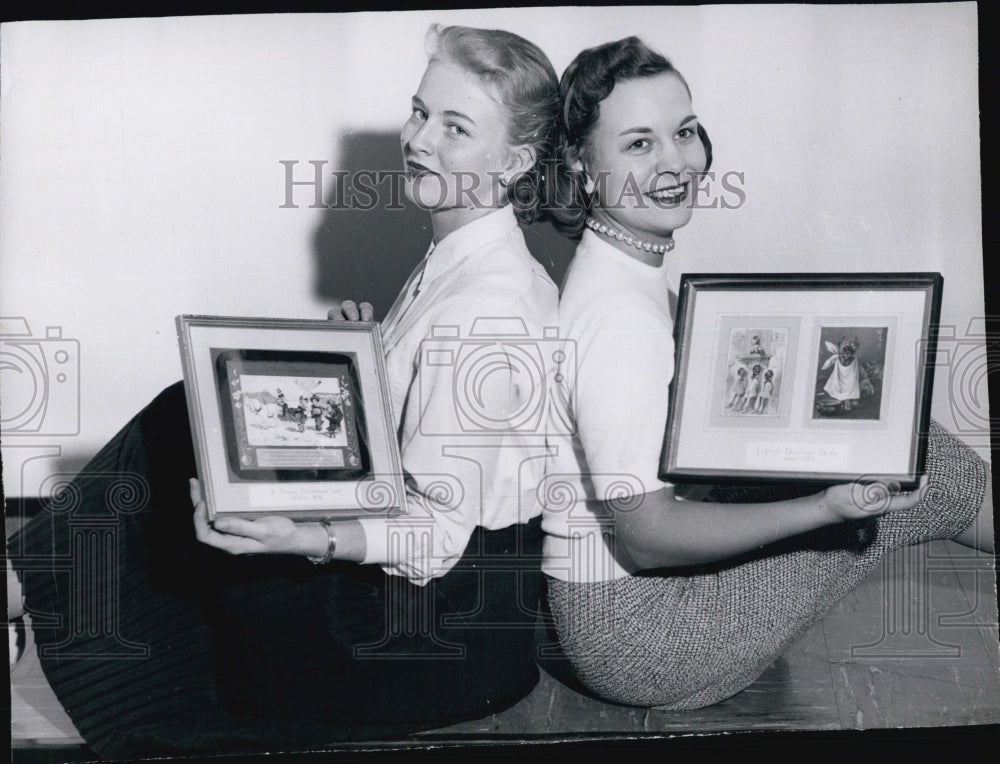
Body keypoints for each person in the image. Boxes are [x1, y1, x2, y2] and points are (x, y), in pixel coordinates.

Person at [8, 24, 561, 757]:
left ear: (515, 159)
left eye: (456, 127)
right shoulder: (463, 258)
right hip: (444, 609)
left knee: (201, 465)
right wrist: (369, 362)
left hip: (437, 636)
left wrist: (304, 538)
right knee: (199, 413)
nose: (421, 139)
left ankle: (21, 590)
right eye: (421, 111)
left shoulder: (488, 305)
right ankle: (22, 588)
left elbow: (437, 538)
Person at [541, 36, 994, 710]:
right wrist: (823, 507)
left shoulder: (620, 268)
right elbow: (649, 534)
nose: (676, 161)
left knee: (886, 432)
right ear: (581, 164)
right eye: (640, 144)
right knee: (930, 469)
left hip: (624, 611)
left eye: (684, 131)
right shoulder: (617, 319)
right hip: (644, 637)